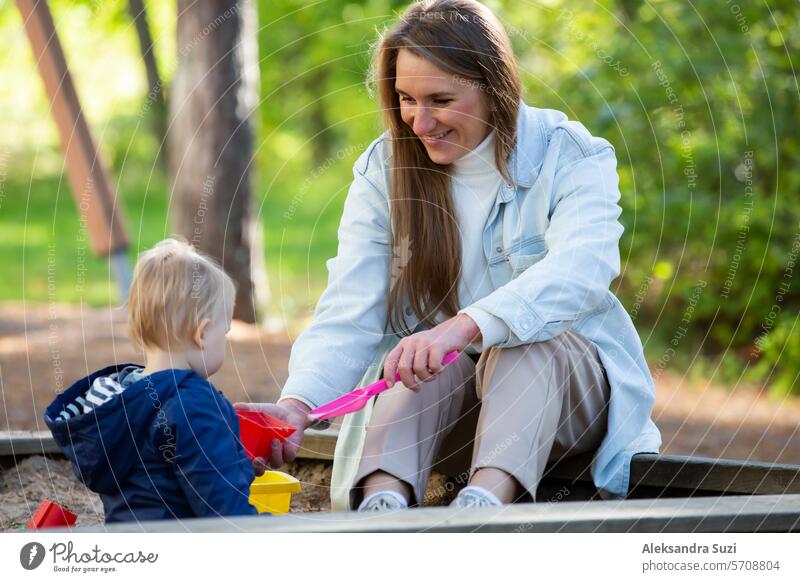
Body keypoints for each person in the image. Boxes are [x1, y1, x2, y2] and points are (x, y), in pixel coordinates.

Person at [240, 0, 661, 511]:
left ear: (493, 88)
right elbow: (351, 309)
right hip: (453, 412)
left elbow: (582, 271)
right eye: (405, 99)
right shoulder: (385, 170)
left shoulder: (568, 154)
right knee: (416, 361)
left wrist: (464, 326)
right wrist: (296, 404)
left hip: (567, 401)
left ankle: (484, 505)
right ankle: (383, 507)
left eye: (440, 99)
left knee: (522, 341)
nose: (419, 121)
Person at [45, 238, 258, 522]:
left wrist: (235, 459)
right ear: (203, 333)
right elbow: (227, 513)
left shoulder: (120, 400)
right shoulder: (193, 404)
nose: (226, 341)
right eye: (225, 332)